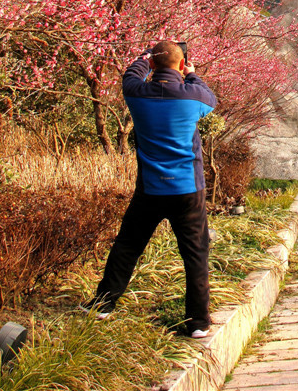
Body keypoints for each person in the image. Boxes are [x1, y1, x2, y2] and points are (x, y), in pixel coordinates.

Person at [81, 40, 217, 338]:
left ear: (152, 65)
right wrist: (191, 74)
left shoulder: (136, 93)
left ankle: (103, 304)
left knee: (128, 245)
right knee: (196, 253)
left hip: (151, 189)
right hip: (187, 189)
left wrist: (146, 57)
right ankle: (198, 322)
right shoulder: (194, 96)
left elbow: (131, 74)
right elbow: (210, 97)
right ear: (182, 65)